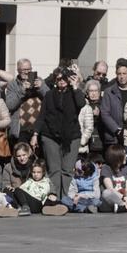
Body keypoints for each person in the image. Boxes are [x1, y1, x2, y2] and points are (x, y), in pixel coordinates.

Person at [34, 68, 86, 202]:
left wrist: (76, 87)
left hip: (71, 136)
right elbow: (42, 116)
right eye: (59, 79)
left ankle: (66, 198)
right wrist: (35, 134)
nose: (62, 81)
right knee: (54, 169)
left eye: (64, 78)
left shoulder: (75, 93)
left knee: (67, 170)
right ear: (55, 80)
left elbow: (81, 104)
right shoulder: (49, 95)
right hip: (50, 135)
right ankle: (54, 197)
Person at [100, 59, 127, 149]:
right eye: (119, 74)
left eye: (124, 74)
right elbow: (104, 113)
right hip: (114, 137)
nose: (121, 76)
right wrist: (117, 130)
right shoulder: (109, 91)